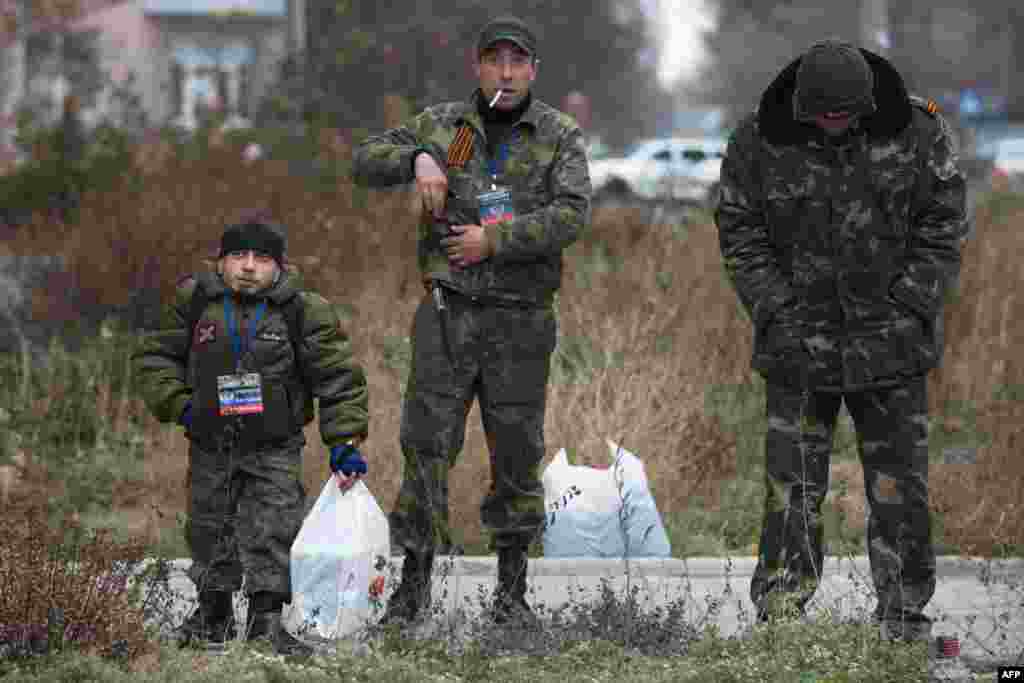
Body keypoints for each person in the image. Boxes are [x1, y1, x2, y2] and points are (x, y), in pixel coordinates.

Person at [715, 39, 966, 645]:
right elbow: (739, 232)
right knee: (791, 489)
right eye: (822, 114)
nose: (833, 124)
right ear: (803, 106)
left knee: (899, 487)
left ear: (868, 104)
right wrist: (778, 311)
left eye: (844, 115)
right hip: (797, 349)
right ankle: (781, 618)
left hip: (893, 347)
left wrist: (908, 308)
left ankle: (903, 616)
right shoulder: (757, 141)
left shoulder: (919, 134)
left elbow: (945, 225)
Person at [352, 16, 591, 627]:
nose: (505, 74)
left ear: (533, 70)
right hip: (447, 317)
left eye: (518, 62)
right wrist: (419, 160)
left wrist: (497, 240)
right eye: (495, 61)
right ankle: (412, 592)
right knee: (426, 449)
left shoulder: (558, 134)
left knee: (516, 453)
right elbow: (364, 160)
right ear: (478, 67)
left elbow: (572, 213)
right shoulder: (444, 126)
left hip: (521, 323)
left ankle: (511, 597)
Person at [133, 218, 370, 654]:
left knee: (275, 529)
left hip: (275, 446)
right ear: (219, 262)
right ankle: (213, 615)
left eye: (261, 258)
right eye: (237, 257)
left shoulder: (304, 309)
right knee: (209, 527)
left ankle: (266, 622)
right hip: (211, 442)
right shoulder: (195, 301)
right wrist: (182, 405)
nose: (248, 267)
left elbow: (338, 377)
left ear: (280, 267)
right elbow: (155, 359)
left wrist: (345, 441)